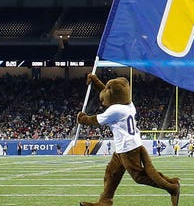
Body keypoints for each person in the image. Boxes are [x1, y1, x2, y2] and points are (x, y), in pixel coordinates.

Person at [77, 74, 180, 206]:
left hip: (128, 149)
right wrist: (96, 81)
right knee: (112, 174)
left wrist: (82, 118)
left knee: (140, 177)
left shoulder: (115, 110)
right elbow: (110, 94)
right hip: (126, 147)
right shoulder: (129, 105)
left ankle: (172, 188)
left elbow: (96, 120)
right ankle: (105, 202)